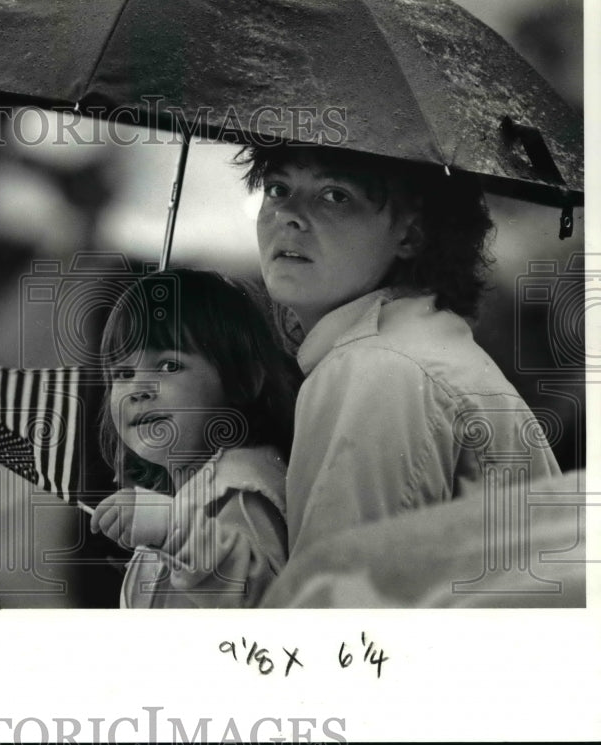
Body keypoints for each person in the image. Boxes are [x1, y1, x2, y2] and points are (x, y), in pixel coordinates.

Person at [238, 143, 563, 565]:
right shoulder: (408, 348)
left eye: (335, 195)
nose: (287, 214)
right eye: (277, 188)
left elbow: (339, 607)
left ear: (411, 234)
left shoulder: (379, 369)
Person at [89, 268, 300, 608]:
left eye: (169, 366)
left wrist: (169, 528)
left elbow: (258, 600)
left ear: (243, 379)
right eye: (123, 373)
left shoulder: (242, 491)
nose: (139, 390)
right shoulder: (186, 494)